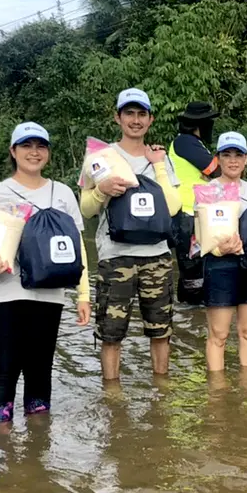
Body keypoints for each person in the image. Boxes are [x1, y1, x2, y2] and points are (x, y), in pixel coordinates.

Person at [0, 122, 90, 422]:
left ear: (48, 153)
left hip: (48, 295)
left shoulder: (62, 193)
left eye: (41, 146)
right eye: (26, 146)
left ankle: (38, 454)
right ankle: (3, 452)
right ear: (13, 151)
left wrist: (83, 295)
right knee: (3, 371)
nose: (34, 152)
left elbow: (78, 249)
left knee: (40, 371)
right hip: (0, 293)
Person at [79, 88, 182, 380]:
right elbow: (86, 209)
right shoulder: (101, 158)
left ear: (150, 120)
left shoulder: (161, 158)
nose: (135, 120)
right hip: (115, 257)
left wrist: (159, 165)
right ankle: (112, 397)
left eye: (141, 114)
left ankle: (161, 391)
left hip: (157, 257)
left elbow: (173, 207)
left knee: (161, 332)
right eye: (129, 113)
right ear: (117, 117)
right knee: (111, 334)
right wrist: (102, 190)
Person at [201, 132, 247, 372]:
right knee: (218, 334)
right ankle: (217, 393)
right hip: (220, 265)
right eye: (227, 155)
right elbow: (198, 235)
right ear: (218, 159)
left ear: (246, 159)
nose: (233, 160)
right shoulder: (207, 190)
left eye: (238, 155)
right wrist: (219, 248)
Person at [168, 101, 221, 306]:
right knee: (192, 267)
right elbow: (215, 169)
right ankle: (192, 318)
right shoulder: (185, 142)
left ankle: (186, 318)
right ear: (200, 124)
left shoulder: (193, 144)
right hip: (187, 215)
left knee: (194, 267)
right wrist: (212, 169)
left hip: (194, 214)